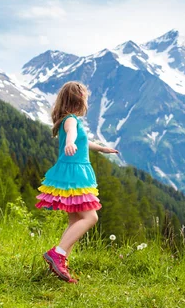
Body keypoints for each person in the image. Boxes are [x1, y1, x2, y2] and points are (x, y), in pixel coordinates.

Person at [35, 81, 118, 283]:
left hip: (71, 172)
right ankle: (58, 253)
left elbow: (82, 141)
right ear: (78, 100)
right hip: (76, 174)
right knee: (91, 218)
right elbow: (73, 135)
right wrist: (70, 142)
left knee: (74, 221)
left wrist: (102, 149)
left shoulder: (67, 119)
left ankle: (59, 264)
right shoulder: (71, 120)